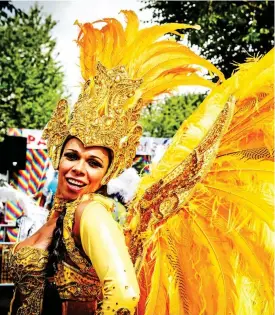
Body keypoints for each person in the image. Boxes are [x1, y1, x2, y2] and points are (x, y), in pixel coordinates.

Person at [7, 10, 274, 315]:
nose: (79, 168)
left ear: (108, 173)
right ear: (57, 155)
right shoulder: (54, 218)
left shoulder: (88, 212)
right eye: (72, 156)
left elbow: (124, 294)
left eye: (93, 162)